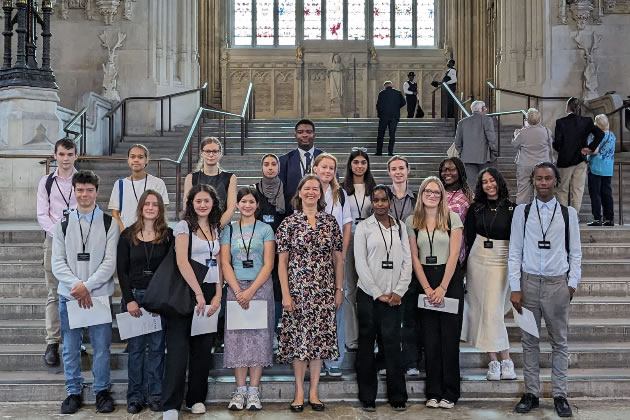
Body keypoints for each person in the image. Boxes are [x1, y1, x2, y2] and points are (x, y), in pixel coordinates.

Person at [509, 162, 582, 418]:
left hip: (556, 285)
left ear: (555, 181)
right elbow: (514, 251)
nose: (542, 183)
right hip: (528, 285)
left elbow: (576, 253)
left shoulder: (568, 214)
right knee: (529, 342)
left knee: (559, 343)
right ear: (533, 181)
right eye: (538, 178)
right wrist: (515, 287)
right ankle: (532, 393)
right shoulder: (522, 212)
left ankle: (560, 395)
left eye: (547, 178)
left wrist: (571, 285)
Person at [51, 170, 120, 414]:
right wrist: (78, 287)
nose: (84, 194)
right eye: (80, 190)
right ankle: (73, 392)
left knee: (101, 348)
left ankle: (101, 391)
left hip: (98, 295)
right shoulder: (62, 223)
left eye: (89, 190)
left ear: (96, 192)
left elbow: (109, 262)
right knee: (70, 347)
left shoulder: (109, 223)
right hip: (69, 296)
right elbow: (57, 263)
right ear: (74, 191)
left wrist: (87, 286)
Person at [276, 175, 344, 412]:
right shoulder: (288, 224)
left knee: (319, 342)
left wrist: (338, 288)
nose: (312, 192)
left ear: (321, 193)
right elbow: (282, 263)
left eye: (316, 188)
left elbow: (338, 259)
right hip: (297, 292)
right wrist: (285, 294)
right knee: (299, 343)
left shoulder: (331, 222)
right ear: (300, 192)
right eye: (307, 188)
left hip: (324, 291)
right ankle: (299, 391)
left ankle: (314, 391)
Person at [162, 184, 223, 420]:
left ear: (213, 203)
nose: (202, 205)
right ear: (191, 203)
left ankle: (196, 398)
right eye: (198, 201)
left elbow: (217, 264)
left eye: (206, 200)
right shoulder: (183, 226)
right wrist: (198, 293)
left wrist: (217, 294)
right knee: (178, 350)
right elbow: (181, 262)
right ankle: (171, 404)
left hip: (209, 291)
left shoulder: (216, 228)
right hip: (186, 291)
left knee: (202, 350)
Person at [406, 176, 464, 410]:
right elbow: (413, 258)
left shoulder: (453, 218)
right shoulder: (412, 220)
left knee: (449, 339)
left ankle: (450, 391)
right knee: (430, 339)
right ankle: (433, 391)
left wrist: (442, 287)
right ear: (421, 194)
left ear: (442, 196)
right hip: (424, 280)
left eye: (436, 192)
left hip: (449, 279)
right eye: (427, 191)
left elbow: (454, 255)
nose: (431, 195)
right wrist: (429, 288)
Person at [354, 185, 412, 412]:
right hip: (369, 296)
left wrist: (399, 291)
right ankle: (368, 397)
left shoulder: (399, 227)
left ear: (390, 202)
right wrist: (378, 293)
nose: (379, 204)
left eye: (383, 200)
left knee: (392, 345)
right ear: (371, 202)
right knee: (367, 346)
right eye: (376, 200)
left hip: (395, 297)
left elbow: (407, 261)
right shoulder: (363, 228)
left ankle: (398, 396)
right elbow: (360, 263)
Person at [221, 186, 276, 411]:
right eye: (243, 201)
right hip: (235, 289)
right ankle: (240, 390)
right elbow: (225, 263)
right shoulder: (229, 230)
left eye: (251, 201)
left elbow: (269, 263)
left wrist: (251, 291)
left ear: (257, 205)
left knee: (258, 338)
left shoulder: (265, 229)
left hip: (260, 288)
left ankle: (254, 391)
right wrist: (237, 291)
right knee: (237, 339)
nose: (246, 205)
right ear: (236, 205)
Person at [117, 190, 172, 414]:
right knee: (136, 350)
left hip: (158, 300)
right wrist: (129, 300)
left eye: (155, 204)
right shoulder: (127, 235)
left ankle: (156, 395)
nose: (150, 208)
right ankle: (135, 396)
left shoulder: (168, 235)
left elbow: (171, 271)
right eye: (147, 204)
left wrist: (161, 301)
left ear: (160, 209)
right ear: (140, 207)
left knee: (158, 349)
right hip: (135, 300)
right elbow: (121, 271)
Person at [461, 168, 516, 381]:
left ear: (499, 182)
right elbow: (468, 237)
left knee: (493, 311)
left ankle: (507, 360)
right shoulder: (475, 208)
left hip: (502, 258)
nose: (489, 185)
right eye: (484, 182)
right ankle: (493, 361)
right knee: (482, 311)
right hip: (478, 259)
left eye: (492, 180)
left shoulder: (513, 208)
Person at [36, 137, 78, 367]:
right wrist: (58, 234)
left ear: (75, 156)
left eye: (69, 154)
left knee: (75, 291)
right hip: (53, 241)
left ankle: (76, 340)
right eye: (61, 154)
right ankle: (52, 342)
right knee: (54, 293)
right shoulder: (46, 182)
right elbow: (42, 213)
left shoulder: (81, 180)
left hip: (78, 243)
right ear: (55, 155)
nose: (65, 159)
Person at [312, 153, 352, 377]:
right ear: (315, 168)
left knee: (336, 306)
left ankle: (334, 360)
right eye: (324, 167)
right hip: (311, 261)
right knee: (314, 309)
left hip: (335, 258)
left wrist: (342, 254)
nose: (328, 171)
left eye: (332, 168)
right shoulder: (307, 190)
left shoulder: (341, 194)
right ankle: (314, 354)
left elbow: (346, 225)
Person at [387, 155, 420, 377]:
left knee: (410, 315)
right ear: (389, 172)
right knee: (388, 315)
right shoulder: (382, 197)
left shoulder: (417, 198)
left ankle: (411, 361)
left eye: (401, 168)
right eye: (394, 169)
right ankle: (388, 359)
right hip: (387, 261)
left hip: (412, 259)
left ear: (408, 170)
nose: (398, 172)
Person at [342, 148, 376, 352]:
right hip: (349, 238)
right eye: (356, 162)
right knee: (349, 289)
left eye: (363, 162)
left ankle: (369, 336)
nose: (360, 165)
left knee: (369, 287)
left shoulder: (373, 188)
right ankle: (351, 337)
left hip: (370, 239)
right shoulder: (343, 189)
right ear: (350, 165)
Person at [252, 154, 287, 336]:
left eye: (274, 164)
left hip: (281, 248)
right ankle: (262, 330)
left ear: (279, 168)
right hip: (259, 248)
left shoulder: (287, 191)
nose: (270, 167)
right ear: (262, 167)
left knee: (278, 287)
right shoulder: (254, 191)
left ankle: (275, 330)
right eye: (266, 164)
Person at [553, 97, 605, 212]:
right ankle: (573, 215)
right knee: (578, 190)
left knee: (562, 189)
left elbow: (557, 143)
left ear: (568, 107)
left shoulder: (560, 122)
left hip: (565, 160)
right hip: (581, 159)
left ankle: (565, 215)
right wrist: (590, 148)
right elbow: (600, 134)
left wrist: (559, 149)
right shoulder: (587, 121)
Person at [109, 144, 170, 231]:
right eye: (132, 157)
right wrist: (123, 233)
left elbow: (161, 210)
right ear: (128, 160)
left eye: (140, 157)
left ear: (146, 160)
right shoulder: (119, 184)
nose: (136, 160)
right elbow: (115, 213)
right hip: (126, 234)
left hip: (151, 232)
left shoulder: (157, 183)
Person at [184, 137, 237, 228]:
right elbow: (187, 206)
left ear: (220, 153)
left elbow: (231, 208)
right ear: (201, 153)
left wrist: (216, 228)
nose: (211, 155)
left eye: (215, 151)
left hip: (222, 228)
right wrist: (200, 228)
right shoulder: (191, 178)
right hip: (197, 228)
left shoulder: (230, 178)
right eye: (207, 151)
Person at [512, 108, 555, 204]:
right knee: (541, 191)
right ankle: (540, 213)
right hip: (542, 165)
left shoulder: (523, 132)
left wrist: (515, 135)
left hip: (525, 164)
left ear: (527, 119)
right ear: (539, 119)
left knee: (523, 191)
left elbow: (515, 144)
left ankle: (521, 215)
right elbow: (550, 147)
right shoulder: (547, 132)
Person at [278, 119, 324, 209]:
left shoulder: (325, 159)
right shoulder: (284, 160)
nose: (305, 135)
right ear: (295, 135)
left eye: (308, 132)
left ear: (314, 135)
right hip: (293, 210)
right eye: (300, 132)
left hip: (321, 208)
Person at [454, 100, 498, 184]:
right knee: (486, 183)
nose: (486, 110)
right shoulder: (487, 120)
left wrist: (462, 153)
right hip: (485, 158)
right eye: (485, 108)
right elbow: (491, 138)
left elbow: (457, 143)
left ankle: (472, 197)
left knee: (471, 184)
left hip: (467, 158)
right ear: (481, 109)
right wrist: (494, 152)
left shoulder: (462, 122)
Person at [438, 157, 473, 262]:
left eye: (451, 169)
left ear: (460, 171)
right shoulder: (435, 193)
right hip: (434, 248)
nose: (447, 173)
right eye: (444, 170)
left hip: (457, 250)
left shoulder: (469, 197)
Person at [586, 114, 616, 226]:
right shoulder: (612, 135)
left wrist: (586, 152)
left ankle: (597, 218)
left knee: (595, 194)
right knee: (607, 193)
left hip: (596, 168)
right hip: (608, 169)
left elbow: (595, 151)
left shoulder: (598, 135)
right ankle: (609, 218)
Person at [375, 80, 406, 156]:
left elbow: (378, 105)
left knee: (381, 134)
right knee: (392, 135)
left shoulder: (381, 93)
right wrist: (396, 108)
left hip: (384, 116)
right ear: (391, 85)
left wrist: (380, 114)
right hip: (394, 117)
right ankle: (390, 152)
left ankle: (379, 152)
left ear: (385, 86)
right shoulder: (397, 93)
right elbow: (404, 102)